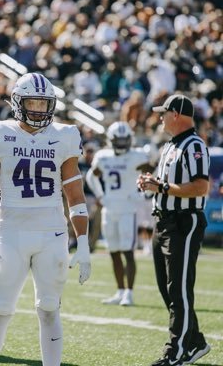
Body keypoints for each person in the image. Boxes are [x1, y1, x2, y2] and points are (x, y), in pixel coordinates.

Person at [0, 72, 91, 366]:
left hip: (52, 232)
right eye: (33, 102)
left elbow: (75, 195)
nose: (39, 108)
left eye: (44, 103)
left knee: (49, 309)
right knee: (0, 312)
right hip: (10, 232)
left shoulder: (65, 135)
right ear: (17, 102)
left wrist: (85, 242)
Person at [137, 94, 211, 366]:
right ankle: (195, 341)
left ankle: (175, 352)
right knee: (167, 288)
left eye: (164, 112)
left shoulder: (194, 145)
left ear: (176, 114)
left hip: (183, 221)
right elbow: (166, 184)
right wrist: (151, 183)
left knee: (178, 288)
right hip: (164, 219)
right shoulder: (171, 145)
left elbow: (201, 187)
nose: (160, 117)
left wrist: (163, 188)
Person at [86, 121, 152, 306]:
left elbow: (153, 174)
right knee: (114, 251)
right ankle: (120, 291)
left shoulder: (137, 156)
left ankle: (129, 293)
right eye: (119, 140)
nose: (122, 144)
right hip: (109, 209)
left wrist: (143, 193)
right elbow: (92, 175)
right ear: (111, 140)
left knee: (128, 252)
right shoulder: (104, 156)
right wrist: (100, 195)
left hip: (127, 209)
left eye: (125, 140)